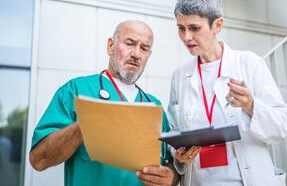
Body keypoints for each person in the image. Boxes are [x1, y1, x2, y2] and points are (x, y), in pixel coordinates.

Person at [29, 20, 179, 186]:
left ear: (148, 55)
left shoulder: (154, 106)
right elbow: (39, 160)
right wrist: (85, 125)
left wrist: (172, 176)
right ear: (110, 46)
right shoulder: (76, 90)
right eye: (130, 43)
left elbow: (171, 162)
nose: (136, 54)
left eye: (144, 48)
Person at [167, 0, 287, 186]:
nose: (186, 37)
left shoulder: (249, 63)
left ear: (218, 25)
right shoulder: (179, 75)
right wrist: (177, 154)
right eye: (181, 28)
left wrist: (251, 105)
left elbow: (281, 127)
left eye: (194, 28)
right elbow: (174, 130)